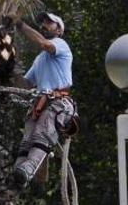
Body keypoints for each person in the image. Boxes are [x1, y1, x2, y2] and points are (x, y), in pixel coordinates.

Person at [10, 12, 79, 188]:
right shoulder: (40, 59)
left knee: (41, 134)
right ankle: (18, 176)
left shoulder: (60, 45)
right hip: (40, 103)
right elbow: (26, 85)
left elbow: (43, 43)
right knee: (27, 140)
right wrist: (9, 67)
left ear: (59, 30)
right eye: (44, 22)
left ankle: (27, 169)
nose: (45, 24)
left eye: (50, 22)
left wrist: (20, 24)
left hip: (58, 103)